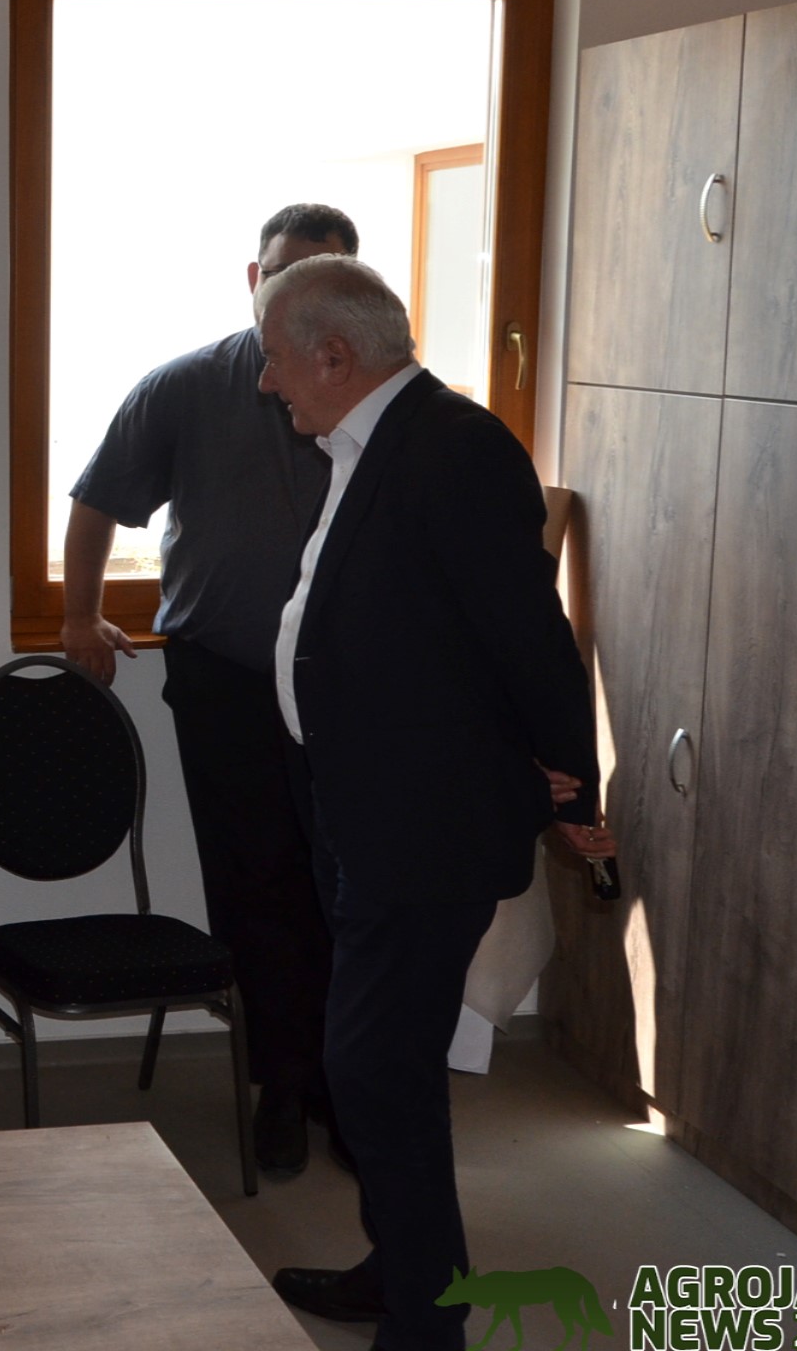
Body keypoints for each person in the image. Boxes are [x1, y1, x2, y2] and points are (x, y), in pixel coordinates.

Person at [252, 257, 615, 1351]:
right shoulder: (368, 444)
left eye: (274, 360)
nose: (266, 383)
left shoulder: (454, 447)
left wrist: (570, 778)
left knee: (374, 1070)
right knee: (384, 1068)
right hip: (363, 802)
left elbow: (527, 632)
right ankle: (404, 1272)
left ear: (334, 355)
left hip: (425, 820)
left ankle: (427, 1322)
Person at [60, 202, 353, 1177]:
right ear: (253, 278)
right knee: (255, 883)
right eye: (283, 271)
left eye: (321, 274)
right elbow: (98, 499)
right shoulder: (184, 387)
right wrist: (78, 615)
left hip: (349, 686)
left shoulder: (376, 393)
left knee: (345, 885)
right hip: (226, 681)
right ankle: (278, 1085)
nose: (297, 289)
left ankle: (344, 1085)